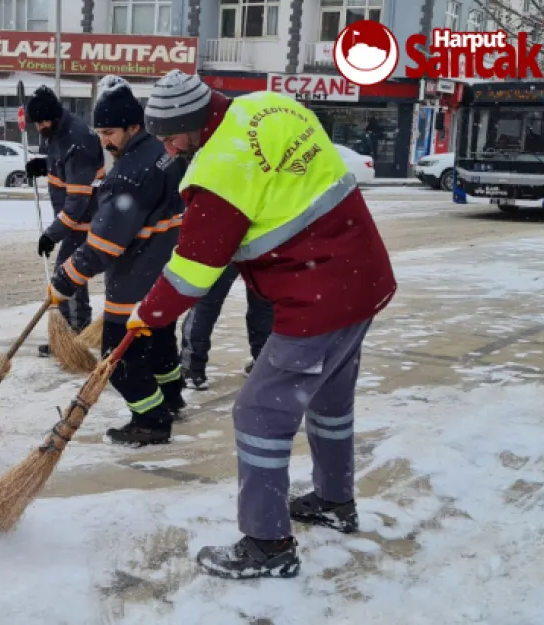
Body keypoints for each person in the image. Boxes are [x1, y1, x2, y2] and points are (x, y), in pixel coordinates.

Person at [126, 70, 397, 579]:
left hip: (318, 297)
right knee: (329, 399)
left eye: (169, 136)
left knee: (258, 412)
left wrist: (147, 315)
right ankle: (335, 502)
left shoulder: (220, 169)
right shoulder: (270, 105)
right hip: (362, 277)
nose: (167, 147)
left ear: (189, 122)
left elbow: (193, 273)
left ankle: (267, 546)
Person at [47, 76, 186, 446]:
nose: (103, 141)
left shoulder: (127, 176)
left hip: (135, 282)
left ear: (132, 126)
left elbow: (103, 245)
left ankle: (151, 419)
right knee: (159, 343)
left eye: (109, 132)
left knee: (118, 361)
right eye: (100, 132)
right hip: (163, 278)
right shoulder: (161, 153)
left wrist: (65, 279)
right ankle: (172, 397)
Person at [22, 86, 104, 356]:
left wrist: (51, 235)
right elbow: (61, 164)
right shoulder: (57, 133)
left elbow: (77, 202)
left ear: (56, 116)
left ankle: (74, 337)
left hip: (86, 219)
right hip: (75, 220)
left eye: (46, 121)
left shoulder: (77, 140)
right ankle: (73, 336)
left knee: (67, 275)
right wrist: (43, 164)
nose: (41, 126)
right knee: (71, 275)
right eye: (38, 122)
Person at [179, 265, 273, 390]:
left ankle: (192, 369)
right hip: (260, 249)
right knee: (263, 304)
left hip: (223, 250)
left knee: (206, 303)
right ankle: (263, 364)